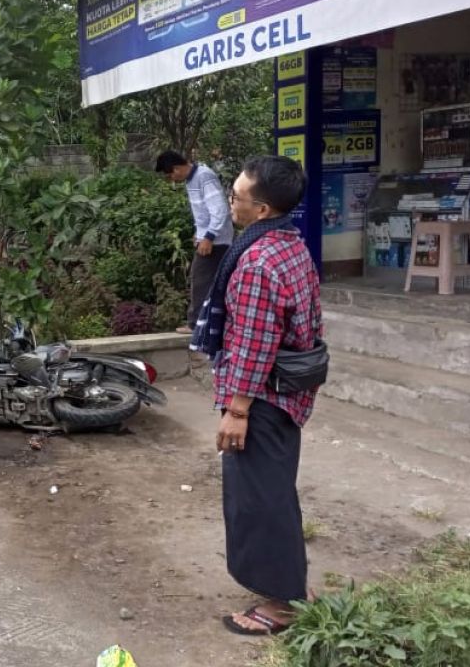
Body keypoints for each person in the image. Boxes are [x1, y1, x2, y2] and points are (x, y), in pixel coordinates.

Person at [189, 155, 321, 637]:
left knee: (257, 499)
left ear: (261, 209)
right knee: (274, 492)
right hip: (287, 394)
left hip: (262, 400)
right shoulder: (288, 245)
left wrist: (237, 410)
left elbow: (252, 342)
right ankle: (290, 585)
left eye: (236, 197)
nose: (230, 203)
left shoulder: (259, 263)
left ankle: (281, 603)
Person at [156, 151, 233, 335]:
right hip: (210, 238)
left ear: (176, 168)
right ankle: (215, 322)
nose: (172, 179)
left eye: (170, 175)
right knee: (217, 281)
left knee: (199, 278)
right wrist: (199, 234)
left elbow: (219, 209)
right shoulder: (193, 179)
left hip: (217, 241)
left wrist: (209, 237)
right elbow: (203, 211)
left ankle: (196, 324)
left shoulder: (204, 176)